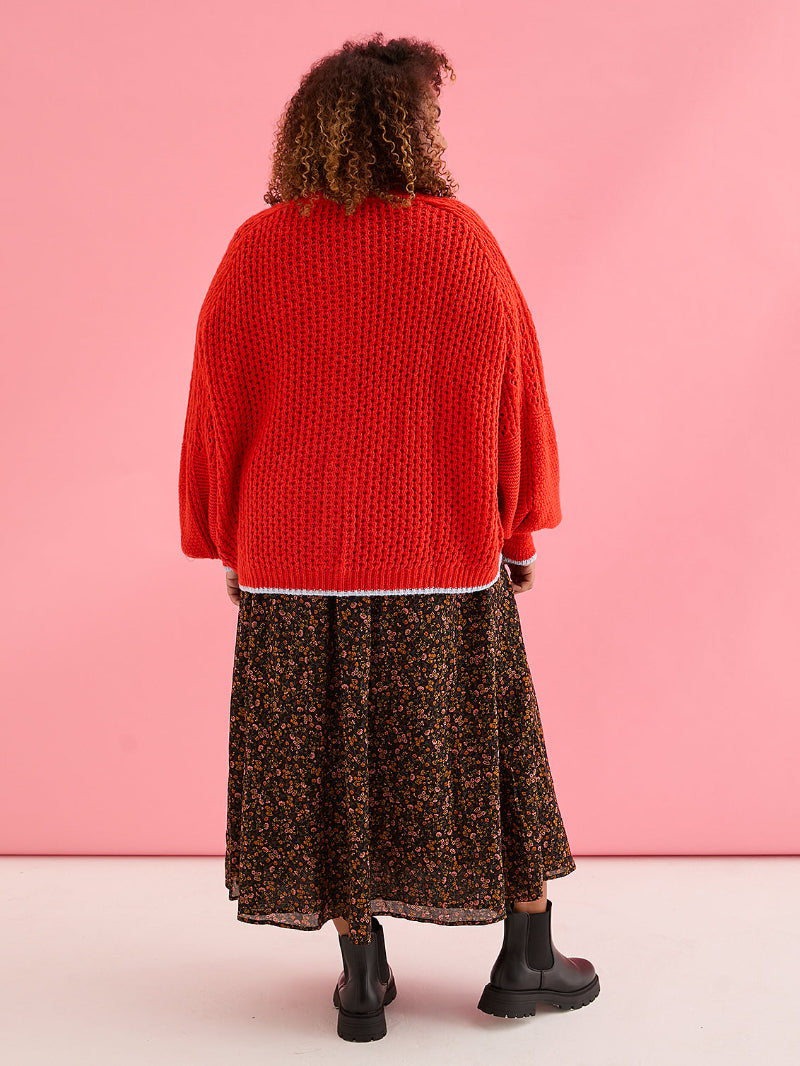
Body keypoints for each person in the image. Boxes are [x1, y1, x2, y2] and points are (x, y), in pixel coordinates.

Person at [178, 31, 599, 1043]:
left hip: (288, 564)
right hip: (438, 555)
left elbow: (214, 409)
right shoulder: (458, 240)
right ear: (413, 130)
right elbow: (515, 400)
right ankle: (524, 955)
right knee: (486, 749)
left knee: (325, 756)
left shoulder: (255, 247)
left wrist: (223, 538)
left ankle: (360, 975)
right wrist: (518, 529)